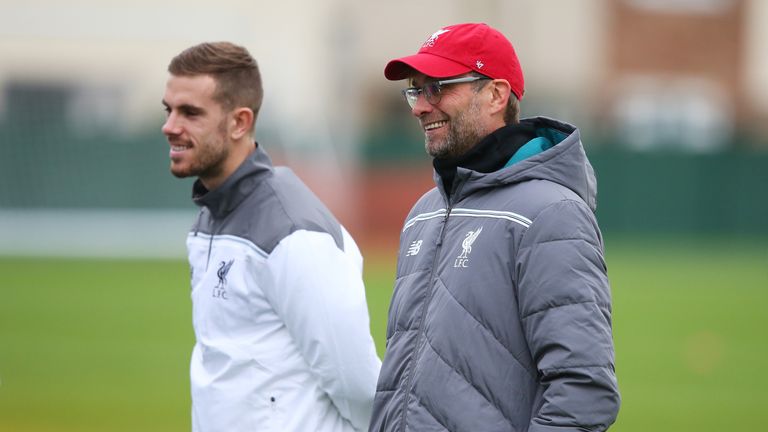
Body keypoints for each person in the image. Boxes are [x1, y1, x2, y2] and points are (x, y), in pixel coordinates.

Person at [369, 23, 620, 431]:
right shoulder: (424, 212)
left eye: (438, 87)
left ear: (496, 95)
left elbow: (583, 391)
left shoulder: (551, 213)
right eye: (416, 90)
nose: (419, 106)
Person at [161, 41, 381, 432]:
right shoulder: (209, 217)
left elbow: (359, 385)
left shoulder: (295, 233)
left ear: (239, 122)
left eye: (190, 113)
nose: (170, 126)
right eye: (169, 110)